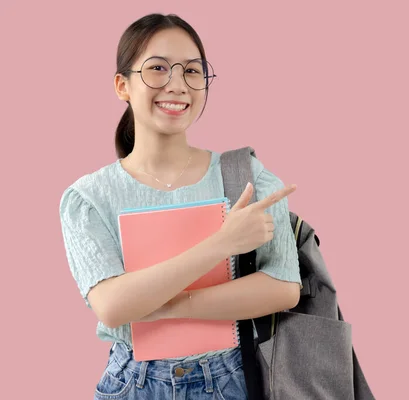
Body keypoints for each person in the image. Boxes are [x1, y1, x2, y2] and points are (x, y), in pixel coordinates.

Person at [58, 13, 301, 400]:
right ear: (122, 85)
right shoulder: (88, 197)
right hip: (134, 384)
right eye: (157, 68)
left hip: (232, 379)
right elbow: (113, 306)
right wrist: (221, 244)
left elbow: (285, 286)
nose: (178, 85)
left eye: (192, 71)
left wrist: (166, 305)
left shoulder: (245, 174)